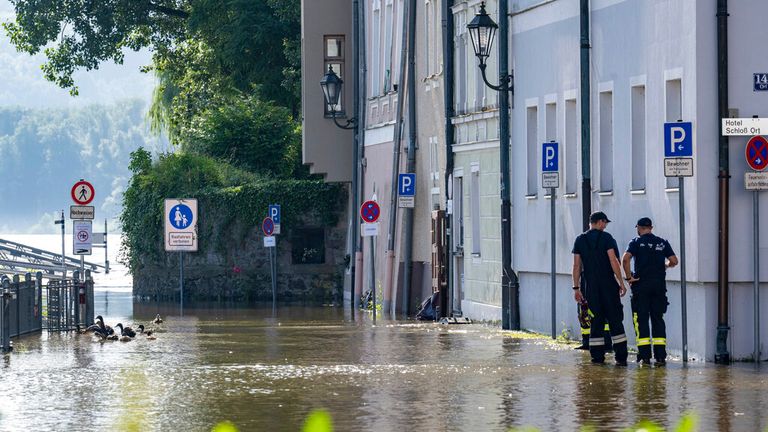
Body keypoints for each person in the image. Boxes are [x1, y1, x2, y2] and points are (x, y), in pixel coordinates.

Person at [571, 211, 629, 365]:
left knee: (596, 321)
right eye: (605, 223)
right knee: (615, 320)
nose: (606, 226)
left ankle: (597, 358)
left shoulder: (580, 240)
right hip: (608, 286)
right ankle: (621, 358)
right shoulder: (607, 238)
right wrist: (621, 282)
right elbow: (613, 260)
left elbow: (576, 265)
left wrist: (576, 288)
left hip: (591, 288)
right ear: (600, 222)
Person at [622, 217, 678, 365]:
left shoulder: (635, 242)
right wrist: (665, 265)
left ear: (639, 228)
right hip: (658, 287)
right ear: (651, 228)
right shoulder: (662, 242)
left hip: (641, 286)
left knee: (641, 320)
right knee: (658, 319)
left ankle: (645, 356)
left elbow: (626, 259)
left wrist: (629, 278)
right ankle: (660, 357)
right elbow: (674, 261)